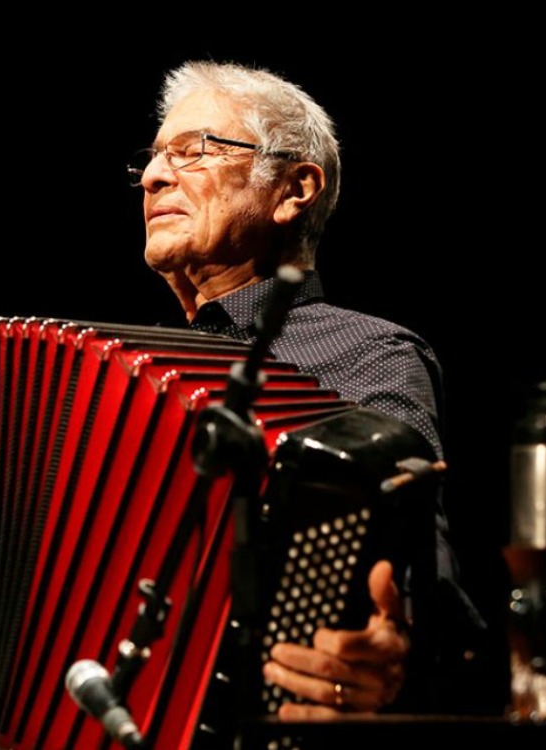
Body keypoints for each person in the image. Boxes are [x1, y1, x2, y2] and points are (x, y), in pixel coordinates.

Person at [131, 60, 485, 719]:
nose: (153, 178)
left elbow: (415, 548)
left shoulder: (367, 354)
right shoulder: (119, 374)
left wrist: (391, 642)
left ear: (294, 188)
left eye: (194, 152)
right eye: (153, 160)